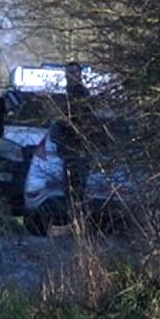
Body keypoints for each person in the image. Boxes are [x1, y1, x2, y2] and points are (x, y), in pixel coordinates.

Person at [60, 61, 93, 209]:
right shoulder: (66, 95)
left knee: (77, 187)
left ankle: (79, 221)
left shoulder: (81, 95)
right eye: (68, 73)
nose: (70, 76)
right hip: (68, 146)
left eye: (73, 73)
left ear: (79, 74)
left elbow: (84, 121)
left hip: (79, 147)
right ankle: (74, 222)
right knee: (69, 187)